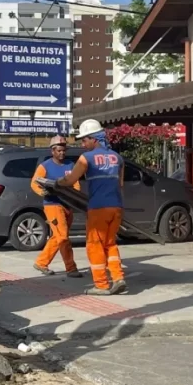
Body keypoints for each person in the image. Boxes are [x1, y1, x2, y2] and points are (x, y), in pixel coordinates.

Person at [56, 119, 127, 296]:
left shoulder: (86, 158)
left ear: (94, 139)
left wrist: (57, 182)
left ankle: (101, 284)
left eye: (85, 139)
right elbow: (120, 183)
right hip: (116, 207)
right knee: (110, 244)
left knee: (94, 245)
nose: (82, 143)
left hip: (98, 208)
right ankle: (118, 278)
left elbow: (71, 179)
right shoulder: (117, 158)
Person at [30, 135, 83, 278]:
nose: (62, 153)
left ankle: (41, 262)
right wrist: (43, 192)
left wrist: (75, 194)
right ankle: (71, 268)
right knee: (63, 237)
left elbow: (75, 183)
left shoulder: (70, 165)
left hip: (67, 204)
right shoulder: (45, 166)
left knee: (58, 236)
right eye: (59, 150)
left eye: (63, 150)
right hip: (52, 205)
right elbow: (34, 183)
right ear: (52, 151)